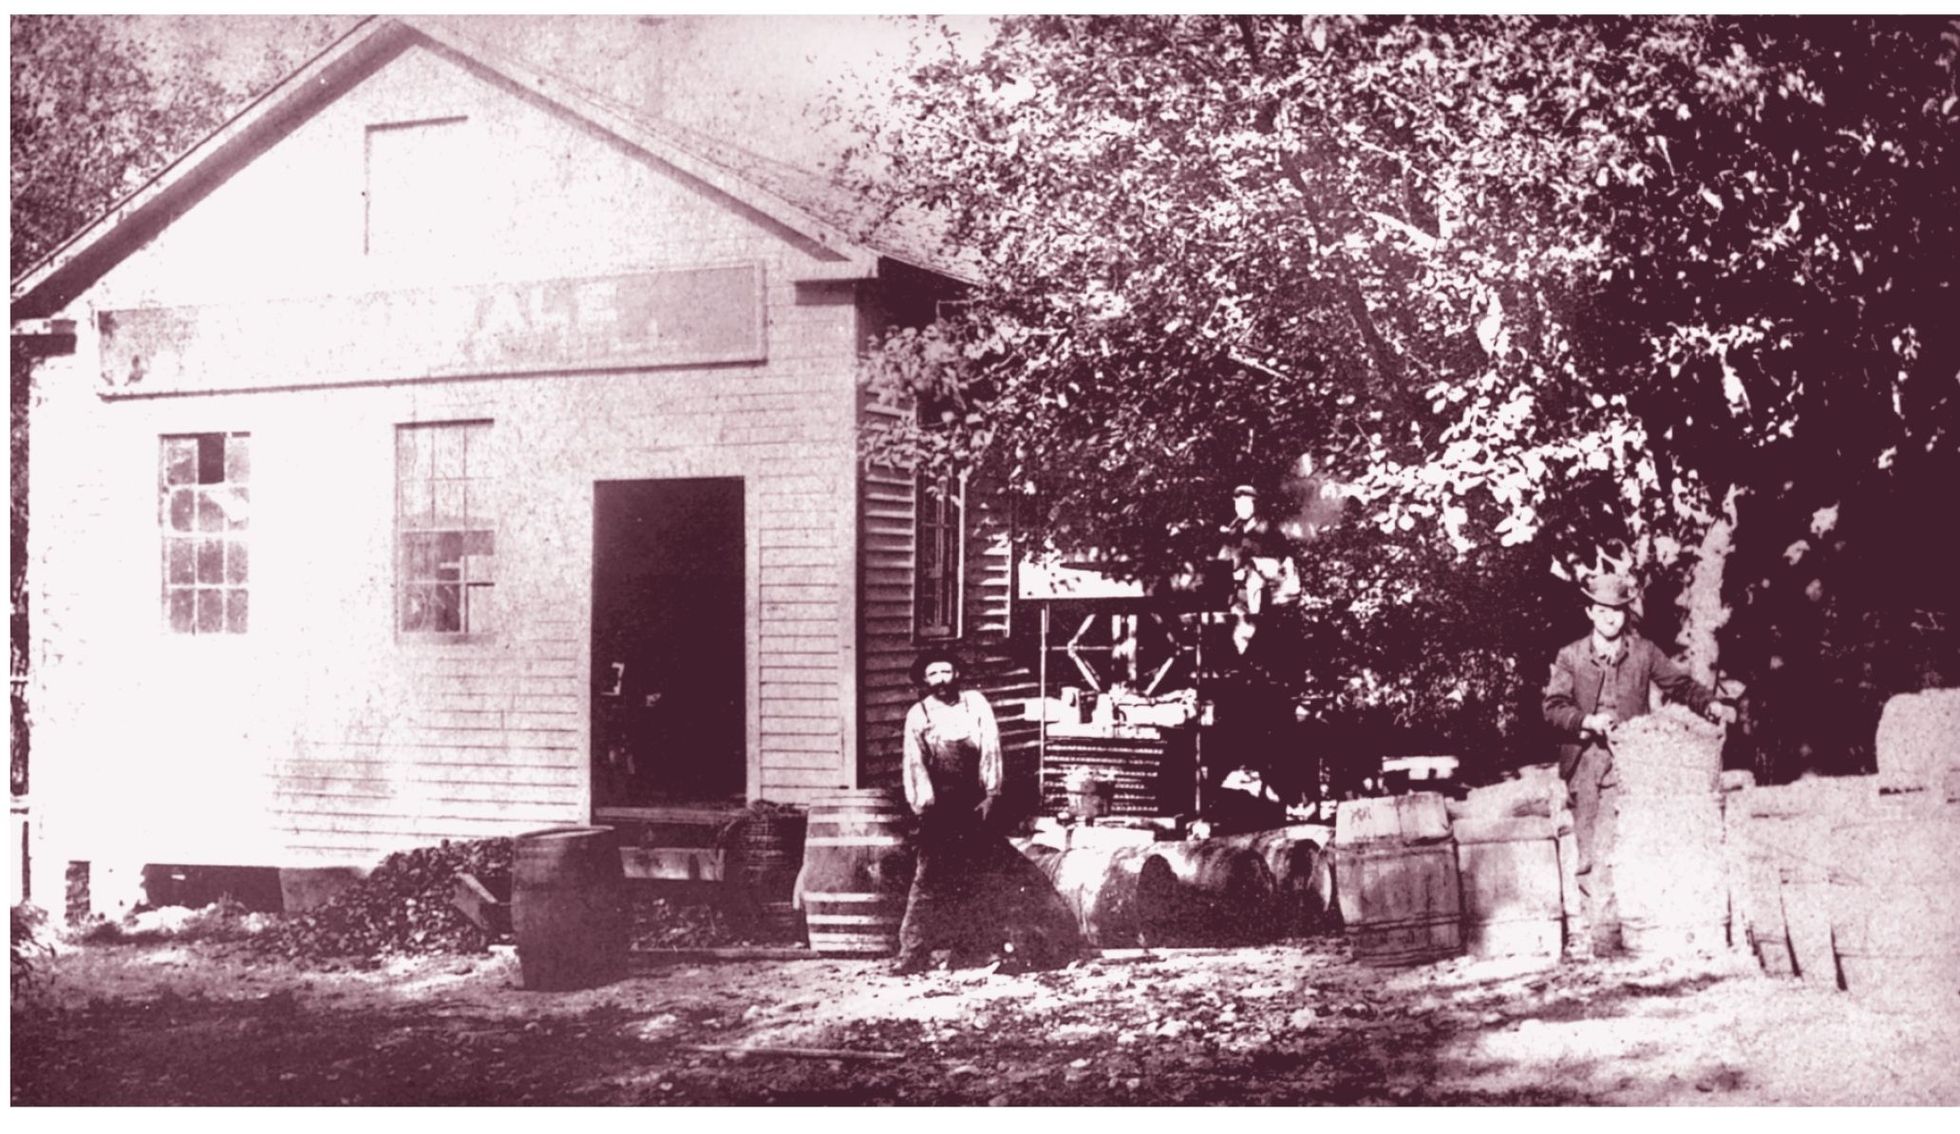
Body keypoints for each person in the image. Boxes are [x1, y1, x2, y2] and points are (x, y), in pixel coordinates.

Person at [1541, 572, 1737, 956]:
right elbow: (1553, 707)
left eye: (1617, 611)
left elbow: (1679, 685)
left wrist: (1709, 704)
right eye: (1602, 611)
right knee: (1590, 847)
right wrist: (1587, 721)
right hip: (1585, 758)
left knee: (1630, 841)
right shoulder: (1571, 656)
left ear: (1625, 613)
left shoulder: (1644, 651)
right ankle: (1600, 934)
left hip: (1634, 759)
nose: (1610, 618)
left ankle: (1633, 928)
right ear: (1590, 612)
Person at [891, 650, 1085, 975]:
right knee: (928, 881)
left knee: (989, 876)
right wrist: (925, 807)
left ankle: (984, 948)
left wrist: (991, 794)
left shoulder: (975, 704)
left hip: (974, 805)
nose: (941, 679)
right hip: (939, 809)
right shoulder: (919, 715)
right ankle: (912, 953)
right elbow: (915, 765)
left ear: (957, 673)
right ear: (924, 680)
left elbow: (991, 750)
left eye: (947, 671)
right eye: (933, 674)